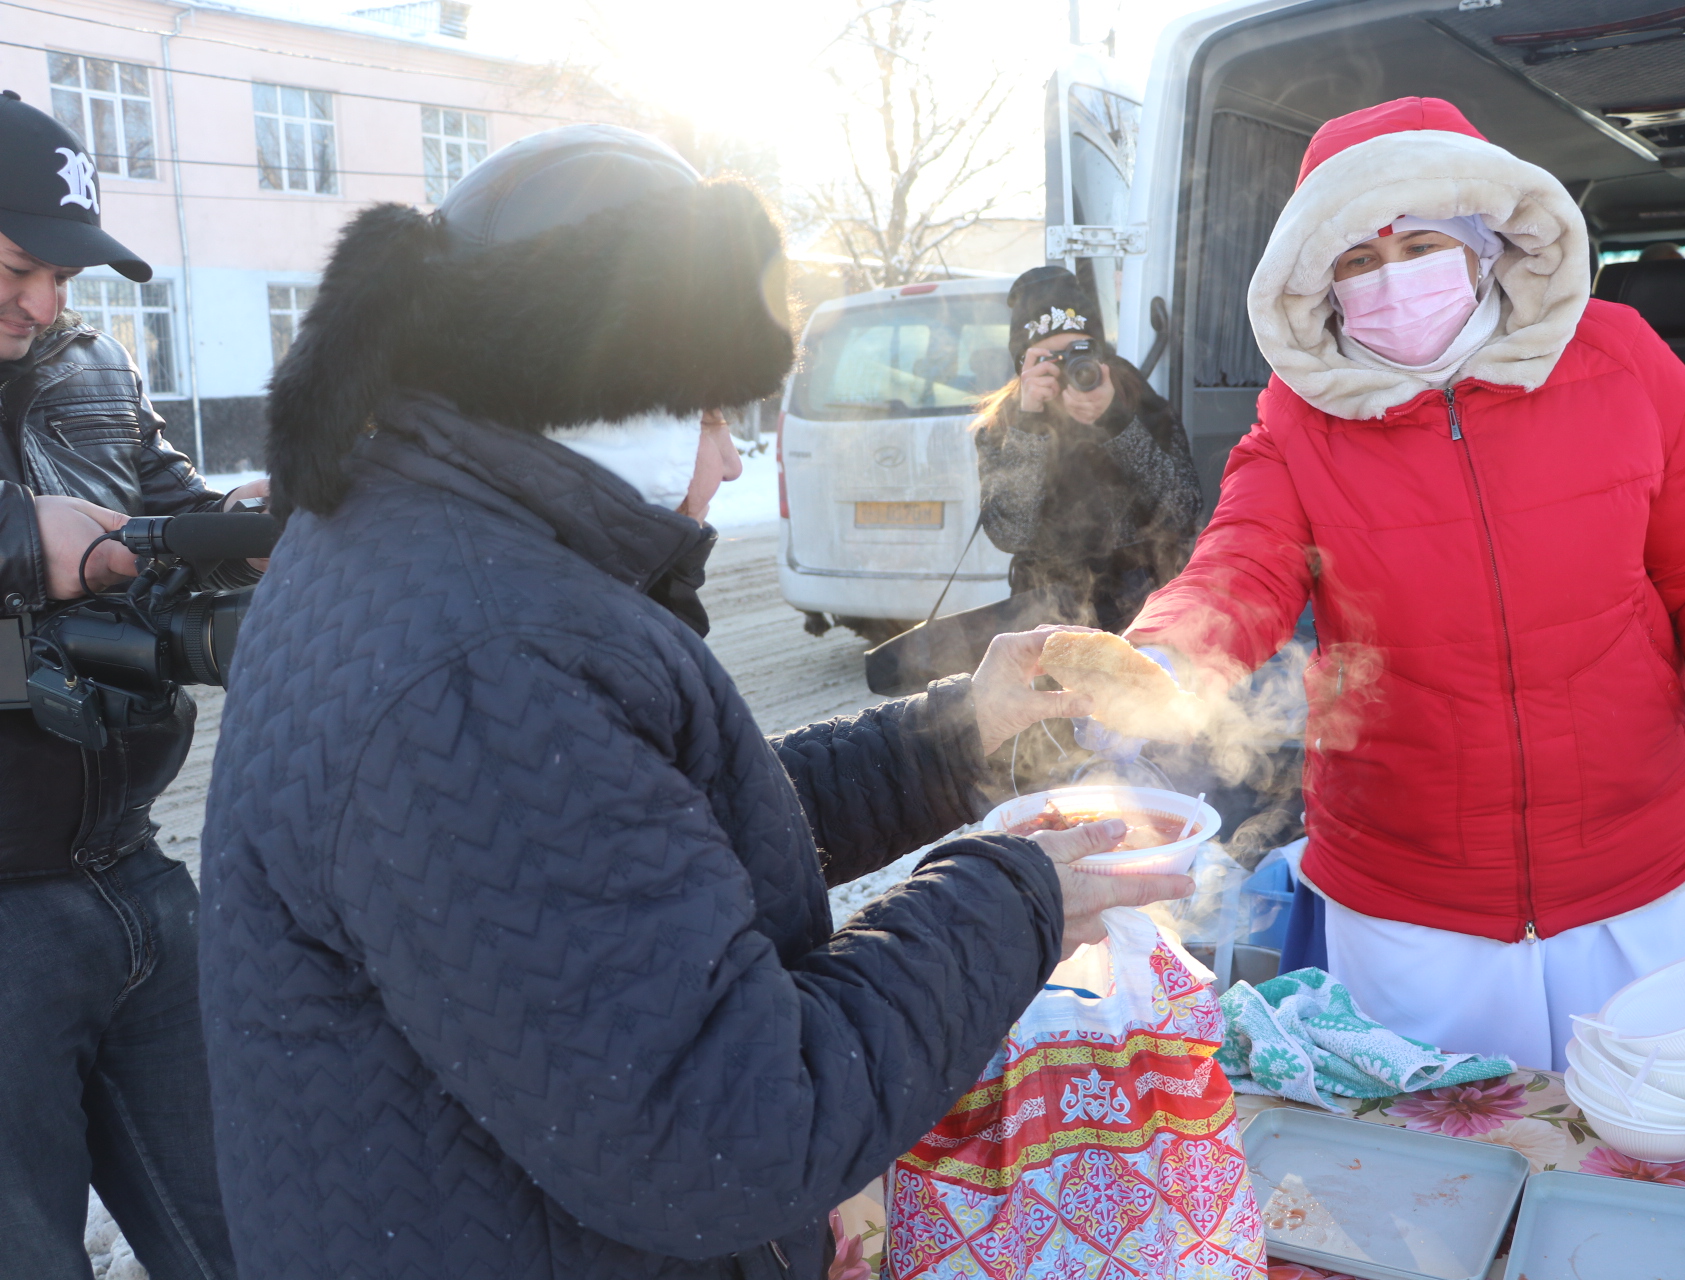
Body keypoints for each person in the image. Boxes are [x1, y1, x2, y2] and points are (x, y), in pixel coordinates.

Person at [196, 125, 1192, 1280]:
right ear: (607, 390)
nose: (728, 464)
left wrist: (959, 732)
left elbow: (661, 834)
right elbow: (729, 1125)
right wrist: (1011, 896)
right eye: (714, 414)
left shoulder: (437, 556)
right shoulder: (486, 657)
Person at [1124, 97, 1685, 1072]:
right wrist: (1161, 662)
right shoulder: (1300, 418)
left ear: (1482, 239)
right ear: (1321, 279)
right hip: (1410, 889)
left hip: (1631, 869)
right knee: (1444, 1151)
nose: (1391, 277)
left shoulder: (1622, 358)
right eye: (1358, 259)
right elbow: (1237, 566)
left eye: (1419, 242)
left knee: (1640, 1141)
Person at [0, 91, 258, 1278]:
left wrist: (256, 525)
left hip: (138, 878)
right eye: (17, 269)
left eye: (63, 274)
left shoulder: (90, 362)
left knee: (267, 1234)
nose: (47, 303)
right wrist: (18, 541)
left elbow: (170, 510)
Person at [973, 267, 1201, 633]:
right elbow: (1010, 534)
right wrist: (1028, 426)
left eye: (1077, 351)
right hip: (1047, 612)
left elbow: (1182, 508)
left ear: (1098, 350)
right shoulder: (1004, 424)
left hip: (1143, 604)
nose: (1067, 368)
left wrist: (1116, 421)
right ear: (1024, 365)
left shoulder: (1138, 400)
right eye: (1051, 358)